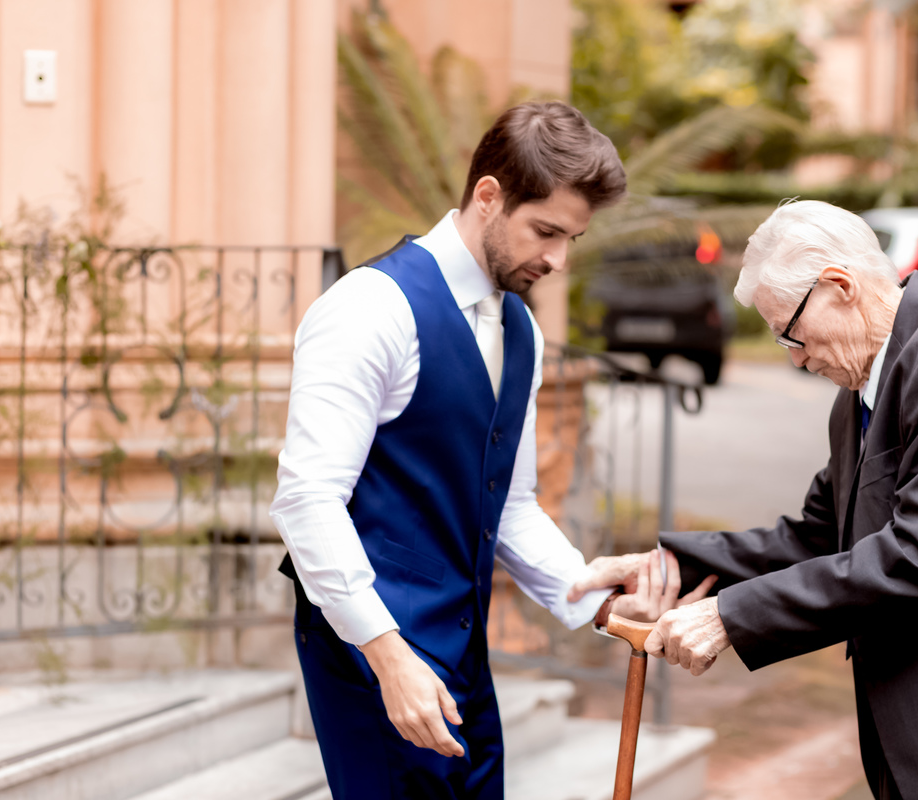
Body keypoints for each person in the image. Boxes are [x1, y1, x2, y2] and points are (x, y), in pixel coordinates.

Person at [571, 200, 918, 799]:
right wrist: (673, 565)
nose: (796, 359)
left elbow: (916, 555)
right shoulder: (867, 384)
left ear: (840, 286)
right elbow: (817, 535)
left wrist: (731, 617)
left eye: (791, 334)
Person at [269, 101, 713, 800]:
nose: (558, 260)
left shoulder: (521, 331)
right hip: (375, 656)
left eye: (573, 238)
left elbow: (509, 505)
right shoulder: (367, 311)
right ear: (488, 197)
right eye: (545, 231)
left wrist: (593, 594)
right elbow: (306, 501)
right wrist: (388, 661)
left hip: (464, 657)